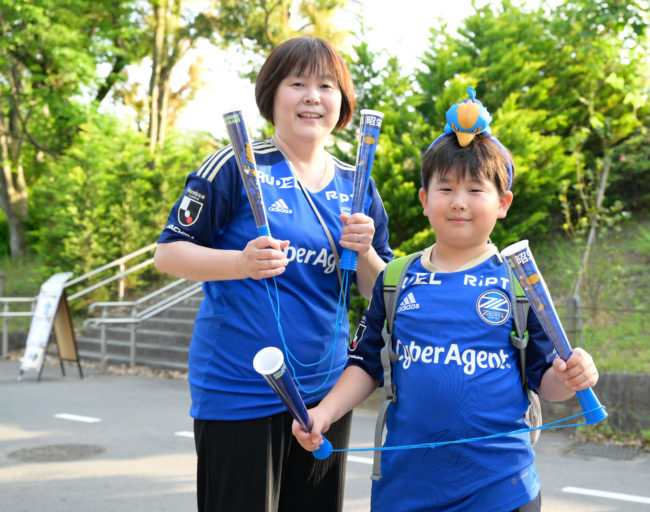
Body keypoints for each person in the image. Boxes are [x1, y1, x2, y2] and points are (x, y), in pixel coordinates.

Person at [292, 89, 599, 512]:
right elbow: (365, 365)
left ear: (503, 203)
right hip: (405, 491)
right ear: (425, 200)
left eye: (475, 189)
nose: (458, 202)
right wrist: (324, 413)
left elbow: (547, 380)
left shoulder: (519, 284)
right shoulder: (394, 280)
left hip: (503, 491)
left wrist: (571, 376)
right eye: (446, 188)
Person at [154, 36, 393, 512]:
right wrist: (239, 263)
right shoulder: (235, 166)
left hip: (325, 396)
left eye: (327, 86)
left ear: (343, 101)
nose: (312, 97)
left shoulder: (358, 185)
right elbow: (168, 253)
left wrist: (365, 251)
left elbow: (378, 293)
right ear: (271, 94)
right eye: (297, 83)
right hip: (240, 390)